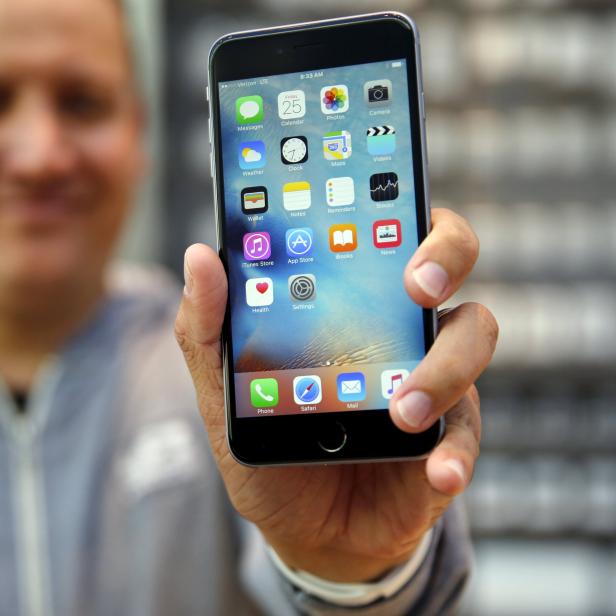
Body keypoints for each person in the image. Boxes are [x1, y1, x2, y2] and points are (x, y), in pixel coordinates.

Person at [0, 0, 498, 614]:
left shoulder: (224, 362)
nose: (39, 154)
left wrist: (355, 573)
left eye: (81, 103)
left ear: (139, 130)